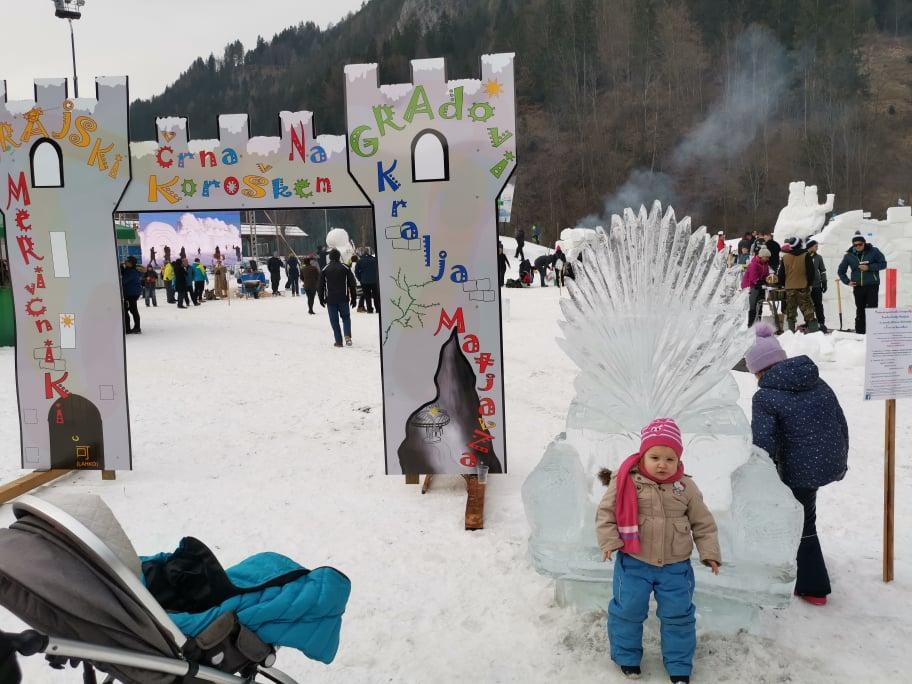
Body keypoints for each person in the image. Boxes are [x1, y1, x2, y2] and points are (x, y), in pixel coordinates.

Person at [597, 418, 720, 683]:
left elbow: (703, 523)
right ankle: (627, 658)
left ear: (678, 460)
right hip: (634, 561)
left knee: (679, 615)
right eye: (655, 457)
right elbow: (605, 514)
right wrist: (609, 542)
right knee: (627, 610)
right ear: (643, 456)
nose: (662, 464)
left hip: (675, 567)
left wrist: (709, 552)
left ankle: (678, 665)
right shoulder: (625, 480)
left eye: (669, 458)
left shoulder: (686, 487)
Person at [745, 323, 848, 605]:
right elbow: (840, 421)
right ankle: (791, 563)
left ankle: (814, 587)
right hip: (828, 461)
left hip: (799, 469)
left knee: (802, 524)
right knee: (804, 513)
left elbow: (762, 445)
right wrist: (840, 457)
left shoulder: (765, 396)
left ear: (759, 369)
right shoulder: (816, 381)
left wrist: (751, 471)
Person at [837, 233, 887, 335]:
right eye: (855, 245)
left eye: (860, 244)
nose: (858, 246)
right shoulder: (848, 256)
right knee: (860, 309)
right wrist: (847, 281)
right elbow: (841, 271)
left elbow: (883, 264)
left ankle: (873, 332)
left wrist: (869, 267)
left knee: (872, 308)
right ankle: (860, 332)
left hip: (872, 285)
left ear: (864, 243)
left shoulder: (874, 251)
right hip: (858, 286)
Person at [776, 238, 819, 333]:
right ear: (800, 244)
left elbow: (781, 274)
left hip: (790, 288)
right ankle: (814, 332)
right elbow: (811, 272)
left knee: (791, 311)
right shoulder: (806, 255)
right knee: (808, 310)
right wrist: (809, 284)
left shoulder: (785, 257)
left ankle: (790, 333)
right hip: (803, 287)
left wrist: (784, 284)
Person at [318, 248, 358, 347]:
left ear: (330, 257)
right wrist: (353, 298)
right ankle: (347, 335)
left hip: (330, 299)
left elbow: (320, 285)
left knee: (334, 321)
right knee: (346, 318)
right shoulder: (345, 268)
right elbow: (352, 284)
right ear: (339, 256)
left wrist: (321, 298)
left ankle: (339, 341)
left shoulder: (325, 269)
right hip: (343, 298)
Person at [741, 247, 771, 327]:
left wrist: (768, 280)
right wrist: (760, 282)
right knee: (753, 306)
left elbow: (766, 275)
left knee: (760, 304)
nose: (768, 259)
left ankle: (758, 324)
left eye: (768, 257)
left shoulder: (765, 264)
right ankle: (750, 325)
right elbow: (753, 277)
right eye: (766, 257)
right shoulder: (753, 264)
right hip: (751, 285)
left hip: (760, 286)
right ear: (761, 256)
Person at [806, 240, 828, 333]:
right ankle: (809, 324)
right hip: (806, 286)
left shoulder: (819, 257)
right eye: (815, 246)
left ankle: (821, 323)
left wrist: (824, 281)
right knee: (808, 306)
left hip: (817, 285)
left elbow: (822, 270)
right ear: (810, 247)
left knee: (818, 305)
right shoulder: (804, 256)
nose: (817, 248)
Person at [354, 248, 380, 314]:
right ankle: (378, 308)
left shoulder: (360, 261)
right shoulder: (375, 260)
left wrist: (360, 279)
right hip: (374, 281)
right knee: (376, 296)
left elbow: (356, 271)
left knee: (367, 296)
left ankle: (369, 309)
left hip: (364, 281)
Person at [120, 257, 142, 334]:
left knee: (131, 310)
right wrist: (122, 269)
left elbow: (123, 281)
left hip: (131, 294)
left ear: (131, 263)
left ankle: (135, 327)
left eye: (127, 261)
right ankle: (131, 328)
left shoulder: (132, 271)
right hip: (130, 293)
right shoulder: (129, 270)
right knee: (131, 310)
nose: (125, 262)